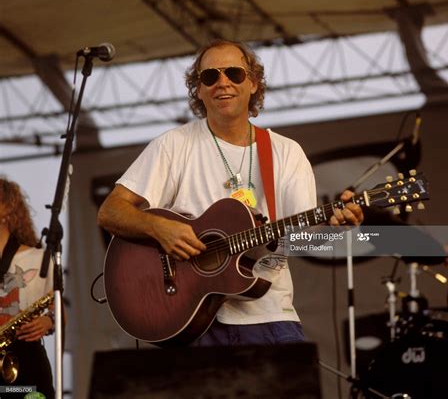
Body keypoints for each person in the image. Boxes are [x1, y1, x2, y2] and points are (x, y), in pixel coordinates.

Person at [97, 39, 363, 345]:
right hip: (192, 320)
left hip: (270, 317)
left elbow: (303, 239)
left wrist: (334, 226)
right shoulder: (173, 145)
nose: (222, 83)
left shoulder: (285, 152)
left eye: (234, 73)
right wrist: (160, 228)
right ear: (198, 89)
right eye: (210, 76)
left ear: (252, 83)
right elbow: (111, 211)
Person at [0, 177, 54, 398]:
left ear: (8, 209)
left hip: (26, 363)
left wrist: (48, 321)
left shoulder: (40, 259)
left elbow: (59, 314)